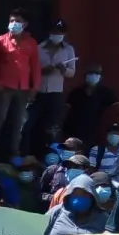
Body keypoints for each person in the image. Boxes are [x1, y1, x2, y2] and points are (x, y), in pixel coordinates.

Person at [0, 8, 41, 159]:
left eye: (17, 21)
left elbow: (35, 67)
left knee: (19, 123)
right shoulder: (0, 40)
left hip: (23, 88)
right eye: (11, 21)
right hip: (4, 88)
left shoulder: (31, 42)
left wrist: (35, 87)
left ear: (25, 24)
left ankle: (14, 155)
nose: (14, 24)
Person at [27, 20, 76, 154]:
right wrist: (42, 71)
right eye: (55, 32)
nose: (57, 35)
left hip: (55, 93)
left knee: (53, 126)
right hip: (38, 92)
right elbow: (30, 70)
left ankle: (51, 155)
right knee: (33, 124)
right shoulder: (38, 48)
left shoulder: (68, 49)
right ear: (49, 33)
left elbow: (72, 72)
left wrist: (63, 69)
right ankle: (31, 153)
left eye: (60, 33)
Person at [64, 64, 119, 144]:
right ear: (85, 75)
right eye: (91, 72)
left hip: (93, 132)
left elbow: (118, 109)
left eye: (96, 73)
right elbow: (66, 111)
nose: (93, 75)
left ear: (100, 76)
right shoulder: (76, 92)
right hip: (74, 130)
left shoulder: (105, 92)